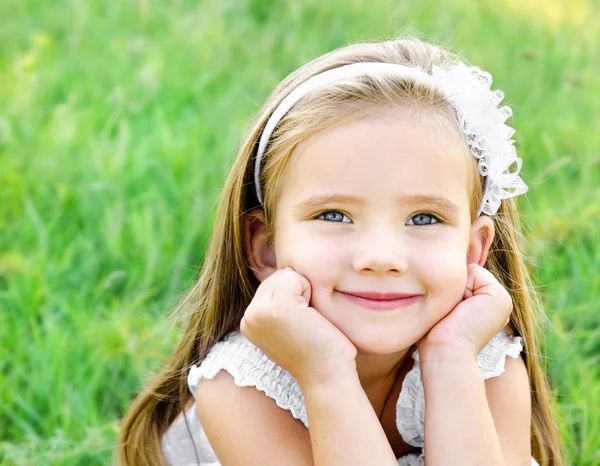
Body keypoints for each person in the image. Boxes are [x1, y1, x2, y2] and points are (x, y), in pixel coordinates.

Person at [118, 36, 563, 465]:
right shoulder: (241, 388)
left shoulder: (482, 361)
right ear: (265, 246)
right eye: (334, 215)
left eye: (424, 218)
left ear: (472, 250)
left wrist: (449, 363)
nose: (381, 257)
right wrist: (325, 375)